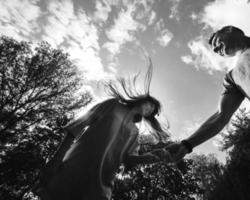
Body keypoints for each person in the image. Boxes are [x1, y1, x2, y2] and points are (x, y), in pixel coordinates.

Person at [166, 16, 250, 188]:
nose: (215, 49)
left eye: (215, 41)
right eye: (214, 50)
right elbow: (221, 116)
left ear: (230, 29)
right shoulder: (233, 77)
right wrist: (186, 144)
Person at [34, 62, 171, 200]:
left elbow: (128, 159)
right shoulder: (112, 105)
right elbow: (78, 125)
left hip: (98, 188)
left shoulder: (134, 132)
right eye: (151, 104)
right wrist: (56, 159)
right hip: (72, 170)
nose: (150, 109)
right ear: (142, 99)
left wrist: (150, 157)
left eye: (152, 111)